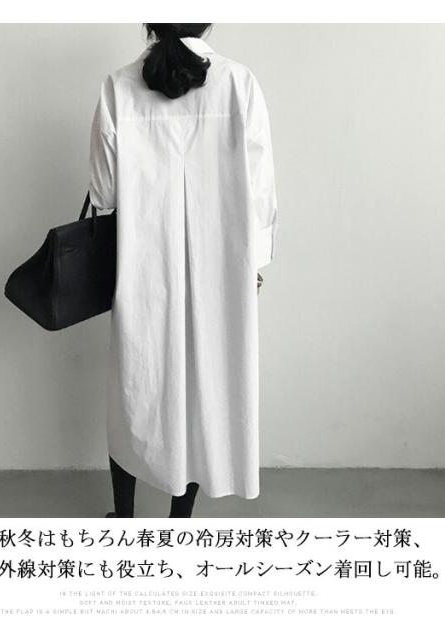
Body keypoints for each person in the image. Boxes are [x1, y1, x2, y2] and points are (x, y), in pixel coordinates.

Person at [88, 23, 278, 517]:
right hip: (222, 266)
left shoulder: (118, 86)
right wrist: (255, 262)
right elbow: (260, 189)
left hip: (141, 262)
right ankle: (178, 524)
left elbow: (104, 192)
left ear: (151, 21)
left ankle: (124, 519)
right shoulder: (239, 83)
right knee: (201, 387)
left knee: (135, 385)